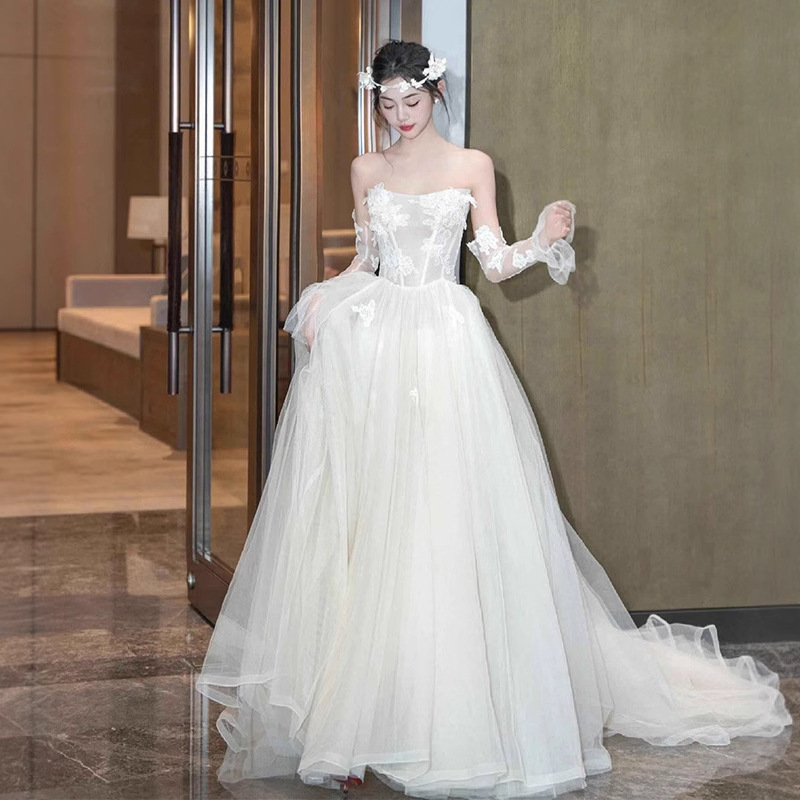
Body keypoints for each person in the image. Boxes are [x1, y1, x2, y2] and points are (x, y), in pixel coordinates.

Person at [196, 39, 791, 799]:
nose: (400, 115)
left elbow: (496, 263)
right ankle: (353, 718)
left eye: (412, 101)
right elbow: (364, 262)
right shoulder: (366, 169)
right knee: (373, 519)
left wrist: (541, 240)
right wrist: (326, 297)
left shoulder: (472, 165)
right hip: (380, 348)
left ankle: (443, 716)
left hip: (448, 347)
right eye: (387, 102)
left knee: (443, 516)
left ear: (436, 94)